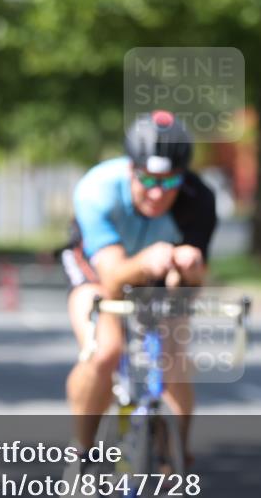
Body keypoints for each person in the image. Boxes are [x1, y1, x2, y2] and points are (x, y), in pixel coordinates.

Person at [62, 110, 217, 459]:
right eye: (148, 180)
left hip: (157, 271)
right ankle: (82, 454)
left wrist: (189, 270)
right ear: (130, 169)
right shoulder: (97, 190)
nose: (158, 194)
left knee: (174, 359)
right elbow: (114, 279)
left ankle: (174, 459)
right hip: (97, 270)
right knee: (105, 351)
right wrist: (147, 260)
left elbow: (194, 285)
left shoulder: (200, 199)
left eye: (170, 183)